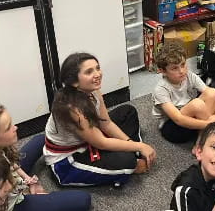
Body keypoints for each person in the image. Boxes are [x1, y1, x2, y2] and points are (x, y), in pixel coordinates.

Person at [43, 53, 156, 186]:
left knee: (127, 112)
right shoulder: (72, 108)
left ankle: (131, 155)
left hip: (90, 137)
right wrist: (139, 146)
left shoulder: (93, 90)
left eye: (97, 68)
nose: (97, 74)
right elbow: (101, 143)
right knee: (128, 161)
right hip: (68, 160)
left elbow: (106, 123)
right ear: (74, 81)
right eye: (89, 72)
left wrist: (133, 146)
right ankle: (130, 163)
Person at [0, 105, 90, 211]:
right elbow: (9, 187)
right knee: (83, 200)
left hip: (10, 179)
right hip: (10, 204)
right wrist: (25, 190)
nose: (15, 127)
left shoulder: (2, 153)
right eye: (8, 127)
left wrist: (27, 179)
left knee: (40, 139)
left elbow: (11, 164)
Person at [152, 40, 215, 144]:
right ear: (163, 71)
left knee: (213, 92)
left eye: (183, 64)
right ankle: (207, 137)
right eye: (174, 68)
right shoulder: (160, 89)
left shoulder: (188, 75)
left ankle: (201, 138)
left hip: (194, 116)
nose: (181, 71)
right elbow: (178, 119)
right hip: (173, 127)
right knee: (197, 104)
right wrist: (209, 123)